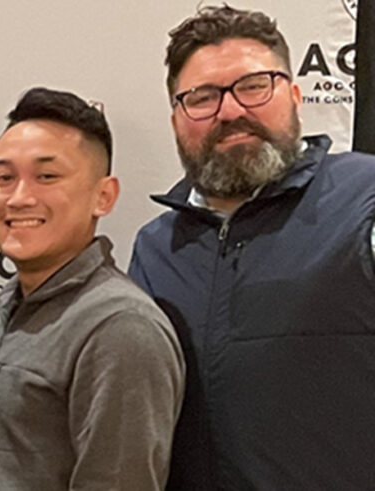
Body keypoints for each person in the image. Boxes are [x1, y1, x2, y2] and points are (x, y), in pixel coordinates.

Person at [130, 6, 375, 489]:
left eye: (254, 86)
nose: (231, 111)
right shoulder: (155, 248)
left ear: (295, 95)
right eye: (202, 97)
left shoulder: (365, 199)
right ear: (176, 119)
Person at [0, 87, 183, 490]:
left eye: (47, 176)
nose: (19, 198)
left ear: (103, 196)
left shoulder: (119, 328)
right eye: (4, 178)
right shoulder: (17, 310)